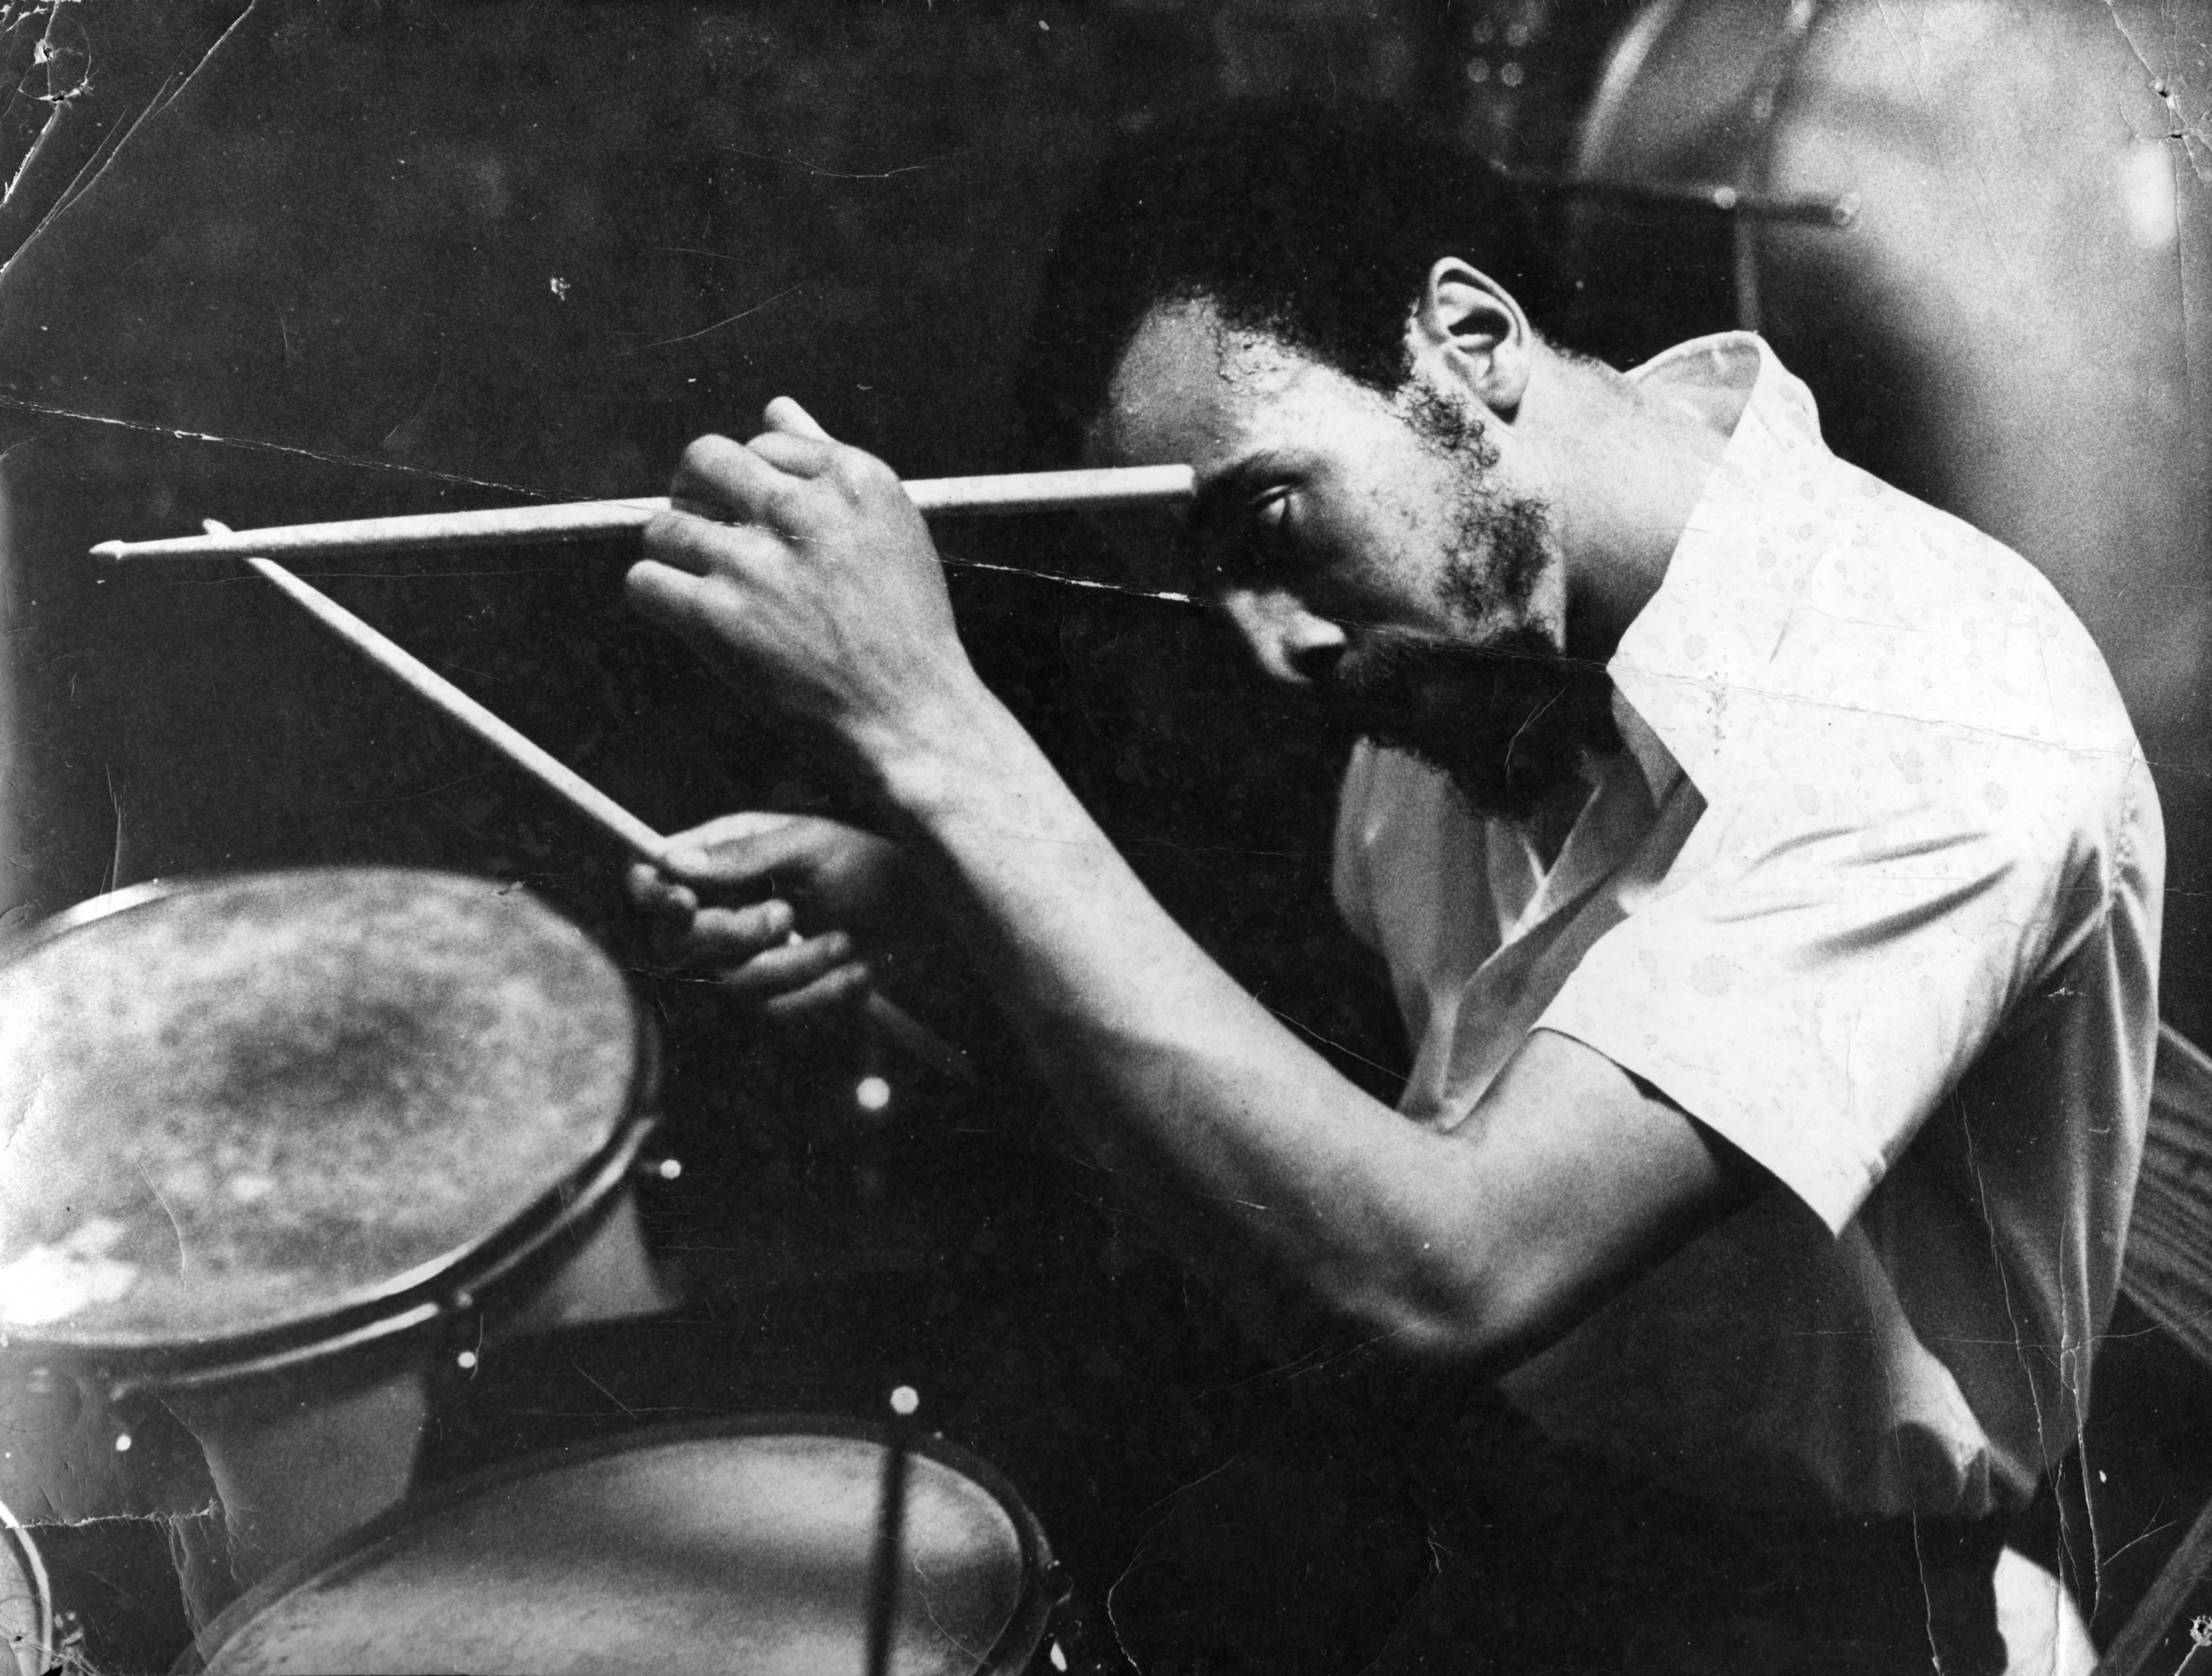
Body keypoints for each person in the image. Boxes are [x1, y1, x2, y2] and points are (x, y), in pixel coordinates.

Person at [622, 104, 2159, 1672]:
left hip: (1832, 1627)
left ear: (1467, 339)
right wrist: (947, 921)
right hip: (1522, 1536)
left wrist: (935, 740)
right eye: (1209, 573)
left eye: (1273, 518)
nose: (1274, 645)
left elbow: (1441, 1271)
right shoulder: (1469, 662)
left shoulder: (1928, 702)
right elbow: (1348, 1137)